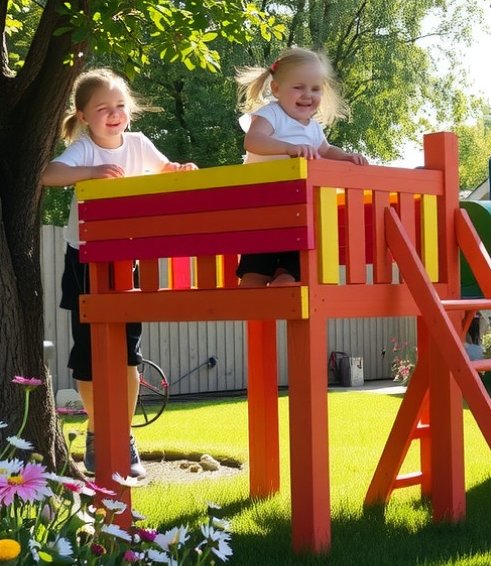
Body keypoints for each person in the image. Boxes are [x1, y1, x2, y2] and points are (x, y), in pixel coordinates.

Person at [41, 70, 196, 476]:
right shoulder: (84, 149)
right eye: (103, 108)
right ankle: (98, 432)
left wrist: (177, 170)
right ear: (83, 115)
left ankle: (122, 436)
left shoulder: (139, 145)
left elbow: (163, 171)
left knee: (128, 353)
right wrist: (90, 174)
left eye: (120, 106)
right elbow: (49, 175)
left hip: (129, 259)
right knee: (88, 354)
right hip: (86, 260)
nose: (114, 114)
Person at [234, 47, 368, 287]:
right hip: (263, 209)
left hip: (297, 211)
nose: (308, 95)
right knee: (256, 271)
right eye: (298, 87)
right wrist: (288, 148)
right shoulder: (272, 114)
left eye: (315, 89)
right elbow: (253, 141)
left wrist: (346, 157)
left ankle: (285, 279)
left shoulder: (313, 127)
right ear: (276, 89)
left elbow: (326, 150)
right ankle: (254, 287)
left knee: (294, 262)